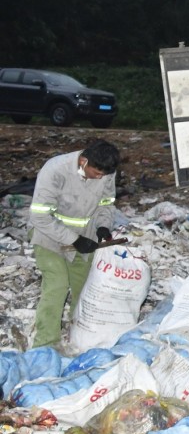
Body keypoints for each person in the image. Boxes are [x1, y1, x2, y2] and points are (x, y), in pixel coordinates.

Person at [28, 140, 120, 349]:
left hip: (84, 236)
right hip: (48, 236)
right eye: (96, 173)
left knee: (85, 287)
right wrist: (74, 240)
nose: (101, 178)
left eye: (104, 175)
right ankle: (45, 344)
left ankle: (80, 335)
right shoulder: (55, 170)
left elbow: (106, 203)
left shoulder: (106, 172)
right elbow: (40, 216)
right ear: (83, 161)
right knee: (57, 284)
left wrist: (103, 227)